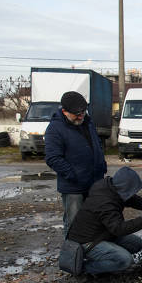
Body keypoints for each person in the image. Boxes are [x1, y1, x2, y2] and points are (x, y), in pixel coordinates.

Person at [66, 167, 142, 275]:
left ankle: (108, 259)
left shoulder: (111, 187)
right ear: (124, 188)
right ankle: (85, 268)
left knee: (136, 244)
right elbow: (119, 229)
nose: (133, 193)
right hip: (87, 242)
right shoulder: (105, 203)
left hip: (102, 234)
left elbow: (133, 200)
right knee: (125, 260)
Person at [45, 91, 107, 236]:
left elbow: (96, 144)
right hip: (73, 188)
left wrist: (101, 164)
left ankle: (92, 253)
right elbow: (53, 158)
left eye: (83, 112)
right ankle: (73, 256)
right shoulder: (55, 129)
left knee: (94, 221)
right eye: (76, 114)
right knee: (74, 223)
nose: (81, 116)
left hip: (94, 183)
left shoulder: (87, 122)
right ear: (64, 111)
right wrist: (73, 175)